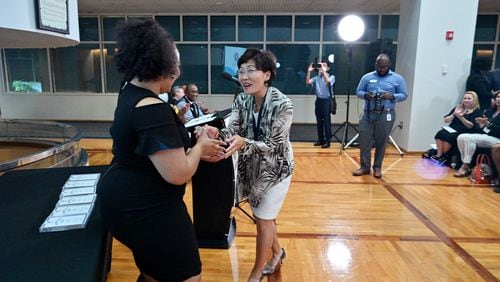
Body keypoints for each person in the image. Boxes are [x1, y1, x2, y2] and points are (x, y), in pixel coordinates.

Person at [97, 19, 226, 282]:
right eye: (174, 65)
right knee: (187, 276)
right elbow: (178, 174)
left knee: (154, 273)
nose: (177, 72)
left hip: (127, 199)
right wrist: (200, 147)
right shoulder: (151, 108)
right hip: (147, 207)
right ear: (158, 64)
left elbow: (152, 144)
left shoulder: (130, 89)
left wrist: (192, 136)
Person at [222, 48, 294, 281]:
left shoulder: (283, 104)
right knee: (265, 216)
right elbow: (233, 129)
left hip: (276, 169)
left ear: (267, 75)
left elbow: (273, 145)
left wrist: (243, 143)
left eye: (250, 70)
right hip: (252, 168)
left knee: (263, 220)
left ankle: (256, 273)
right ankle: (277, 253)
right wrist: (215, 131)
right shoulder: (242, 99)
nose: (244, 76)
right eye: (241, 71)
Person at [352, 53, 408, 178]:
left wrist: (392, 96)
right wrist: (366, 95)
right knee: (364, 141)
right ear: (375, 64)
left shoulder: (397, 79)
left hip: (385, 114)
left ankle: (377, 167)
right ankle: (364, 166)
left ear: (389, 65)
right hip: (367, 114)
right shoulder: (367, 77)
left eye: (384, 67)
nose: (381, 69)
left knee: (381, 142)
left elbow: (404, 94)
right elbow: (358, 92)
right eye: (379, 66)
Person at [454, 90, 500, 177]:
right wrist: (482, 125)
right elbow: (484, 128)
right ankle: (465, 164)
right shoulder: (490, 111)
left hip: (497, 138)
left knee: (469, 138)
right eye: (497, 97)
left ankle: (465, 166)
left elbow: (495, 129)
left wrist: (488, 124)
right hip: (488, 136)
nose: (499, 99)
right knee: (461, 137)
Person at [431, 91, 482, 164]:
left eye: (469, 99)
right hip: (452, 129)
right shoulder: (458, 107)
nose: (466, 100)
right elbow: (446, 120)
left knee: (450, 137)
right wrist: (454, 114)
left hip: (464, 131)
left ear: (474, 100)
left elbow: (471, 126)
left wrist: (461, 117)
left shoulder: (477, 111)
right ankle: (439, 155)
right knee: (440, 133)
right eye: (465, 98)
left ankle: (444, 156)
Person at [305, 61, 335, 148]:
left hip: (326, 101)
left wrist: (323, 71)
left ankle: (327, 141)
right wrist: (309, 71)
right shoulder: (317, 78)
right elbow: (308, 82)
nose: (322, 67)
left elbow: (328, 82)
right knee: (319, 121)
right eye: (321, 65)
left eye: (324, 65)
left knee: (326, 121)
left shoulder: (332, 76)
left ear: (328, 68)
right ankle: (320, 139)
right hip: (318, 101)